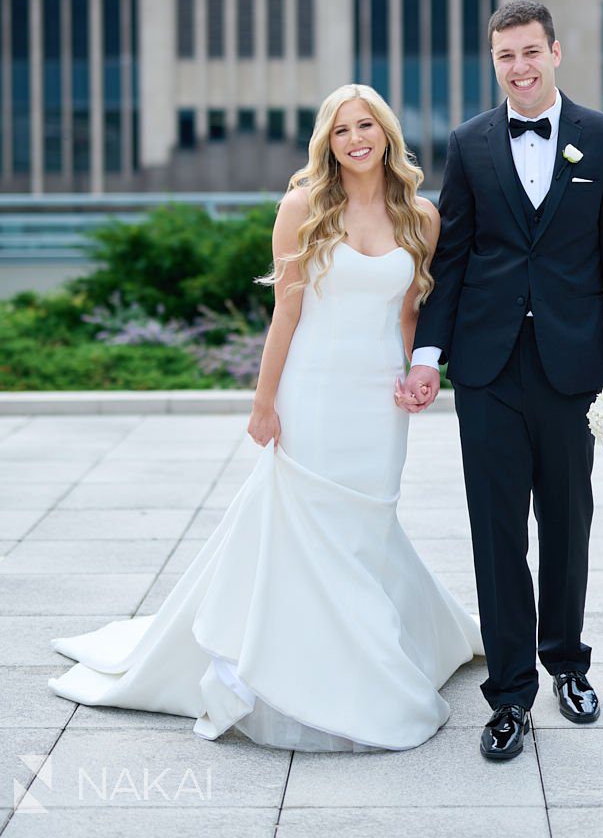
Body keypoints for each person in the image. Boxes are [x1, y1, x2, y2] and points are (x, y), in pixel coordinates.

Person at [48, 84, 482, 751]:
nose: (355, 139)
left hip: (377, 400)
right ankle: (312, 671)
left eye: (365, 126)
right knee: (306, 528)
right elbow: (286, 309)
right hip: (312, 390)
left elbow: (408, 312)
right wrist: (263, 400)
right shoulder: (303, 205)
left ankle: (367, 645)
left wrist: (421, 375)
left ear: (386, 134)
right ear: (326, 142)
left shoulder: (420, 215)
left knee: (365, 525)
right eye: (341, 131)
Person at [397, 0, 603, 761]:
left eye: (528, 52)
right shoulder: (470, 143)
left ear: (555, 51)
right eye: (503, 55)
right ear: (494, 62)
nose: (517, 67)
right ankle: (509, 694)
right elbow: (451, 262)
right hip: (485, 367)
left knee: (567, 522)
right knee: (495, 531)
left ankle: (567, 665)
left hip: (571, 366)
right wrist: (426, 356)